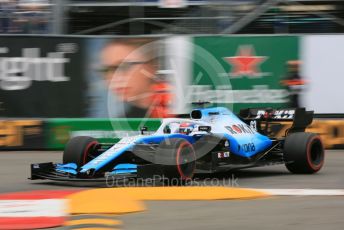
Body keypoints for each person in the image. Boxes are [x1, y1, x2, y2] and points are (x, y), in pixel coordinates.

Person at [99, 38, 172, 118]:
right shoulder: (125, 122)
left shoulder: (178, 108)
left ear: (152, 65)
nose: (113, 78)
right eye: (106, 70)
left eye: (124, 66)